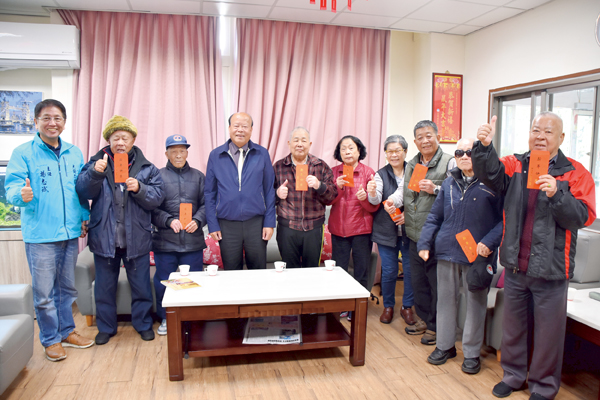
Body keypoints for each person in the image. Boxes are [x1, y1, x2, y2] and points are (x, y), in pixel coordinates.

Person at [473, 112, 596, 400]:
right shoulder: (515, 164)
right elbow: (489, 174)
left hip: (552, 268)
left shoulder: (576, 172)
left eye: (548, 132)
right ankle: (513, 376)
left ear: (561, 138)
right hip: (516, 264)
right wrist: (484, 147)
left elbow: (583, 216)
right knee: (513, 328)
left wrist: (557, 195)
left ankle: (543, 386)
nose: (540, 136)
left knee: (548, 335)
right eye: (535, 130)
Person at [4, 99, 94, 362]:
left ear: (64, 122)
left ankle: (67, 332)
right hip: (40, 235)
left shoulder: (74, 153)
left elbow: (80, 191)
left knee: (67, 289)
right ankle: (50, 340)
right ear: (36, 122)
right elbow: (12, 188)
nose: (52, 123)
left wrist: (84, 216)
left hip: (69, 233)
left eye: (57, 118)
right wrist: (20, 195)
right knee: (44, 294)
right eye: (46, 118)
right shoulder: (23, 153)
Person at [76, 115, 164, 345]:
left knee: (141, 287)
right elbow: (83, 191)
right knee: (104, 288)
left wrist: (140, 188)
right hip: (104, 238)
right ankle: (105, 328)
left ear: (133, 140)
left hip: (137, 238)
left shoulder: (147, 168)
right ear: (108, 140)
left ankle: (143, 324)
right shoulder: (96, 163)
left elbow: (157, 198)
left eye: (125, 138)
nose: (120, 142)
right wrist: (95, 173)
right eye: (116, 138)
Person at [418, 138, 503, 374]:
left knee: (476, 304)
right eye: (459, 152)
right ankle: (445, 346)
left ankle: (472, 353)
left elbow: (504, 220)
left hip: (479, 254)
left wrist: (489, 242)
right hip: (447, 250)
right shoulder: (449, 182)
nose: (464, 156)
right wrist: (425, 243)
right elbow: (435, 217)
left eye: (469, 152)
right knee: (445, 301)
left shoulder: (493, 183)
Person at [403, 120, 454, 345]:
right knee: (419, 282)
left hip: (437, 236)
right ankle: (424, 319)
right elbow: (405, 192)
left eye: (429, 136)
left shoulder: (449, 161)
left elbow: (457, 193)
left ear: (437, 137)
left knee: (436, 284)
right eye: (420, 137)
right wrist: (393, 202)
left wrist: (435, 189)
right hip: (414, 234)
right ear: (415, 142)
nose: (425, 141)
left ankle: (436, 326)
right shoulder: (412, 164)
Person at [204, 112, 276, 270]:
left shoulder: (262, 153)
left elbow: (269, 189)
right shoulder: (216, 155)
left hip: (256, 223)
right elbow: (209, 193)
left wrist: (269, 222)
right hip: (227, 224)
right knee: (231, 272)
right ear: (229, 128)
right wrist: (213, 225)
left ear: (251, 129)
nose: (240, 130)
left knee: (258, 271)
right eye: (236, 126)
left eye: (245, 126)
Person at [151, 134, 206, 336]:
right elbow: (151, 208)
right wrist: (168, 220)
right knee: (164, 281)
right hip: (165, 242)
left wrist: (198, 220)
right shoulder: (157, 176)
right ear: (166, 154)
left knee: (193, 281)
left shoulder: (198, 176)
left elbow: (207, 205)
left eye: (182, 151)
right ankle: (166, 318)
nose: (178, 155)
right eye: (174, 151)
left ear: (187, 153)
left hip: (192, 241)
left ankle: (192, 319)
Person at [368, 135, 415, 326]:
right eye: (390, 151)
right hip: (386, 230)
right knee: (389, 271)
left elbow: (422, 200)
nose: (394, 155)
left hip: (411, 230)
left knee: (410, 270)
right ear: (385, 154)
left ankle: (407, 306)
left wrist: (408, 216)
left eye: (398, 151)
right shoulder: (380, 174)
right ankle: (388, 306)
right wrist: (372, 192)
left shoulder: (414, 170)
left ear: (405, 151)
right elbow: (375, 200)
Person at [273, 127, 337, 268]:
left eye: (303, 140)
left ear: (310, 144)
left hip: (314, 228)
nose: (299, 144)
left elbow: (332, 196)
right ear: (289, 143)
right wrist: (277, 194)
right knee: (289, 270)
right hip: (287, 228)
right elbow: (266, 197)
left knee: (312, 271)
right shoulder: (278, 166)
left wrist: (319, 186)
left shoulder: (320, 166)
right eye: (296, 140)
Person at [329, 135, 378, 290]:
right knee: (338, 272)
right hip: (339, 230)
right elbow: (327, 201)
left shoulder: (368, 172)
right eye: (343, 149)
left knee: (361, 272)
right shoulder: (333, 172)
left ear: (359, 151)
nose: (347, 152)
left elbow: (374, 207)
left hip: (361, 231)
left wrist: (365, 199)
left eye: (351, 148)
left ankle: (360, 305)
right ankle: (340, 303)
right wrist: (337, 187)